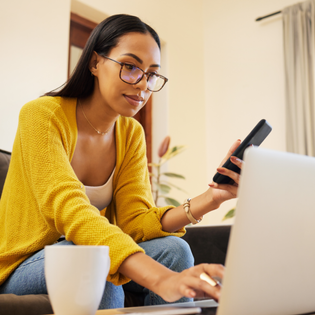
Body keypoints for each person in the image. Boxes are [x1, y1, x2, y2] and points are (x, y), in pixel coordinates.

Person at [0, 14, 243, 309]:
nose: (142, 85)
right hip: (23, 264)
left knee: (175, 249)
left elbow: (135, 221)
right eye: (130, 67)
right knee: (94, 263)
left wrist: (212, 198)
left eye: (151, 74)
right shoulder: (42, 115)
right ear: (94, 63)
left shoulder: (130, 133)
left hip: (88, 249)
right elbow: (71, 212)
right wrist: (161, 279)